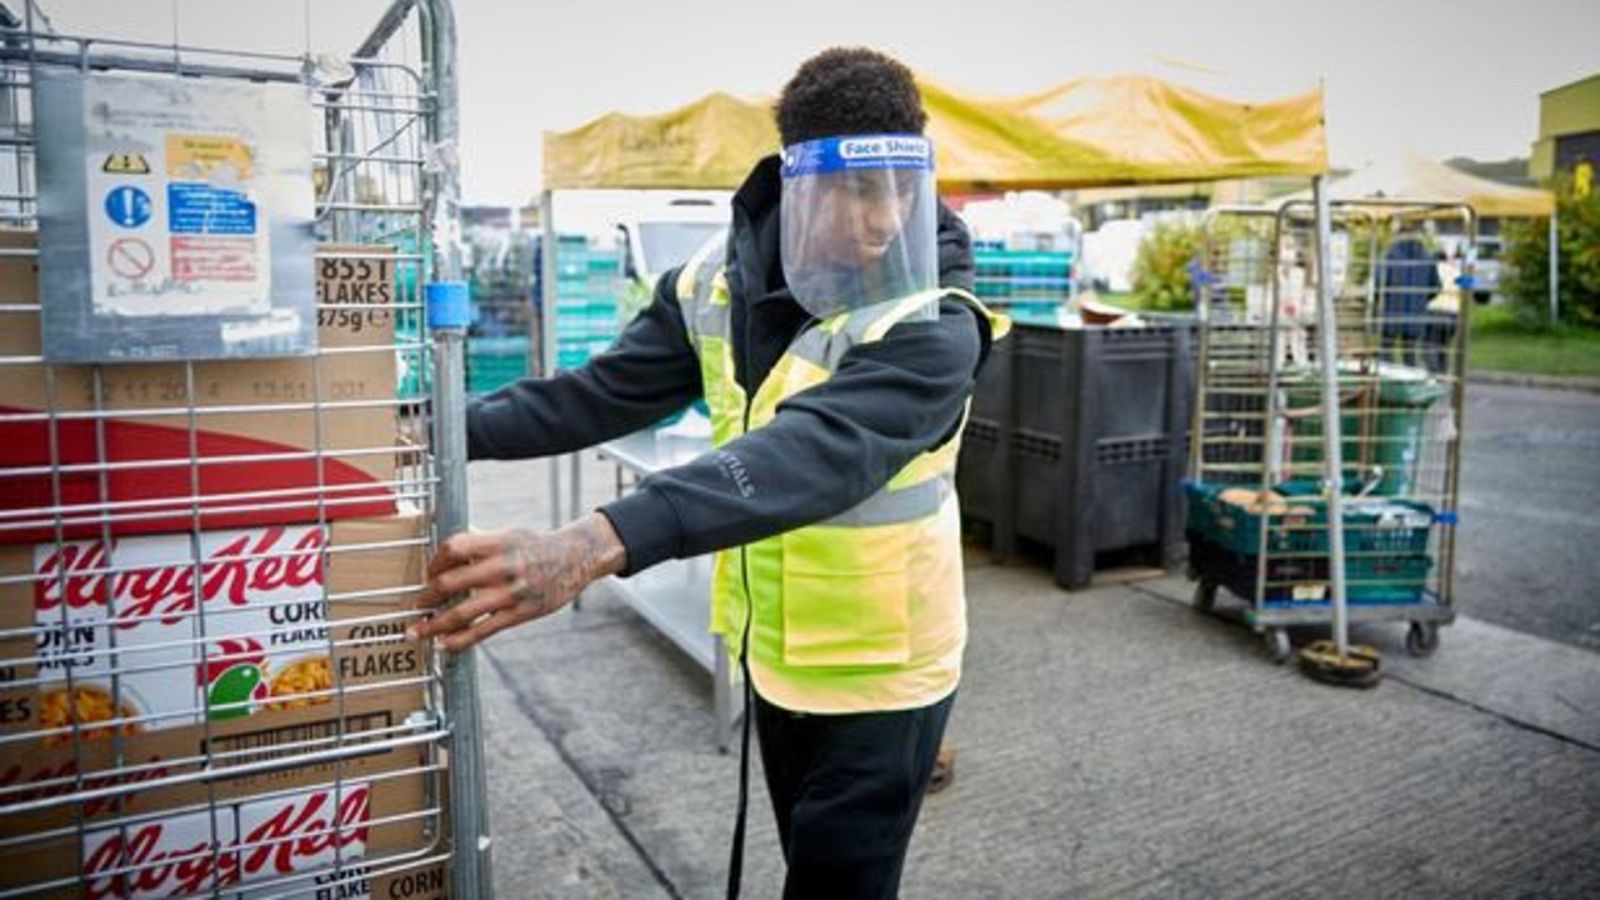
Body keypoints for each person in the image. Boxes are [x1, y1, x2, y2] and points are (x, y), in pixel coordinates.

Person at [410, 46, 1007, 899]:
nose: (885, 218)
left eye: (902, 188)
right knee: (807, 861)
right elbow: (600, 394)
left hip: (885, 672)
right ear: (798, 179)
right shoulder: (714, 283)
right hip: (776, 653)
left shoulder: (936, 317)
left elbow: (817, 449)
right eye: (857, 189)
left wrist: (592, 543)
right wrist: (433, 432)